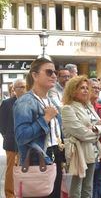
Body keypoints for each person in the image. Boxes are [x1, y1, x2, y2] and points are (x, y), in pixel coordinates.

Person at [14, 58, 64, 197]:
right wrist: (45, 119)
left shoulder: (52, 101)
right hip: (36, 161)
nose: (54, 75)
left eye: (55, 72)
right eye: (49, 72)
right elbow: (21, 137)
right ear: (35, 76)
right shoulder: (25, 102)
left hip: (54, 158)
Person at [62, 76, 101, 198]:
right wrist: (96, 131)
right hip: (78, 152)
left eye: (87, 88)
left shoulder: (89, 106)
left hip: (93, 151)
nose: (86, 90)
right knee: (76, 188)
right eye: (82, 88)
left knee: (88, 187)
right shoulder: (68, 108)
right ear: (73, 90)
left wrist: (95, 128)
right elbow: (81, 133)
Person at [0, 79, 26, 198]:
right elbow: (2, 123)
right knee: (11, 170)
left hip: (27, 141)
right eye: (20, 87)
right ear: (14, 90)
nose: (23, 89)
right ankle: (10, 194)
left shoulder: (30, 102)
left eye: (25, 86)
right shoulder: (7, 103)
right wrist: (7, 134)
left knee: (25, 169)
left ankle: (23, 192)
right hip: (12, 142)